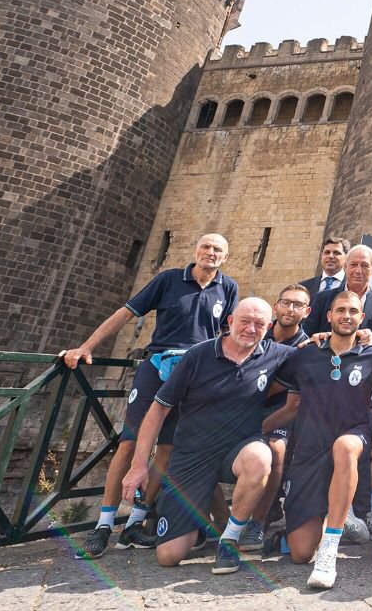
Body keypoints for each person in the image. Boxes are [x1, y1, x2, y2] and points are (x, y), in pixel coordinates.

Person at [59, 233, 238, 557]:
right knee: (129, 443)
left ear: (225, 257)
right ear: (196, 250)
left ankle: (134, 523)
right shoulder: (169, 280)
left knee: (167, 448)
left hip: (195, 374)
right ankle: (104, 524)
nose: (211, 253)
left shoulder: (228, 288)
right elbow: (127, 312)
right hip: (157, 367)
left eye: (218, 250)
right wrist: (86, 346)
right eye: (206, 247)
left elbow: (230, 334)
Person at [122, 297, 294, 573]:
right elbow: (158, 409)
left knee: (261, 457)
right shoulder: (198, 355)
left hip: (237, 450)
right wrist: (139, 465)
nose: (251, 329)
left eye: (259, 324)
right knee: (168, 555)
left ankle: (230, 539)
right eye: (245, 321)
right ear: (230, 322)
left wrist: (338, 338)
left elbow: (318, 355)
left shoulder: (276, 354)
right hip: (193, 456)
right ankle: (200, 524)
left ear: (269, 328)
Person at [263, 291, 372, 589]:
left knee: (344, 447)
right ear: (329, 316)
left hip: (352, 435)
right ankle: (342, 516)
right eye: (340, 310)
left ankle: (330, 546)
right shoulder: (305, 354)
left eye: (353, 311)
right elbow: (270, 391)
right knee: (301, 553)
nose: (347, 316)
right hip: (309, 448)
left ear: (362, 318)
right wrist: (255, 426)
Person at [248, 283, 314, 551]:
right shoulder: (255, 331)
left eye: (298, 305)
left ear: (307, 312)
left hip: (279, 410)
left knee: (276, 449)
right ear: (276, 306)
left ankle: (258, 522)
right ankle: (215, 520)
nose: (290, 309)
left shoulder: (306, 347)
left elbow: (280, 393)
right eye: (286, 302)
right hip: (241, 404)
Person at [307, 244, 372, 342]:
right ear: (345, 267)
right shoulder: (323, 298)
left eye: (365, 266)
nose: (358, 271)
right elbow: (308, 334)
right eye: (353, 265)